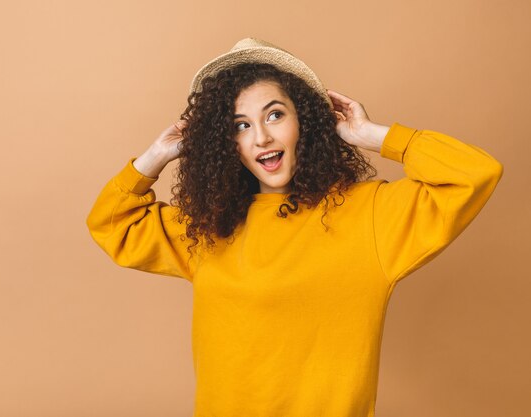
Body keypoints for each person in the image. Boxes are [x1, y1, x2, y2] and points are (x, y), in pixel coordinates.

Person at [86, 38, 503, 417]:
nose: (262, 137)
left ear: (305, 122)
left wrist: (371, 135)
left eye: (275, 115)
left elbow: (475, 173)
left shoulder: (371, 214)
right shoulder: (209, 227)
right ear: (226, 143)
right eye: (241, 125)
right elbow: (111, 224)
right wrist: (155, 157)